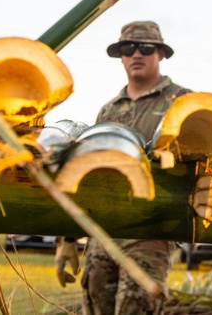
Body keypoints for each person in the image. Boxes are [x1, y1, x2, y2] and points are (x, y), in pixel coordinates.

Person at [55, 20, 190, 315]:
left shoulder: (183, 102)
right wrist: (67, 240)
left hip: (151, 228)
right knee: (96, 305)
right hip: (104, 232)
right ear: (121, 55)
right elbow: (89, 173)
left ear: (160, 54)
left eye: (145, 48)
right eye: (128, 48)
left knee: (137, 306)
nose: (136, 54)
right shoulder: (108, 110)